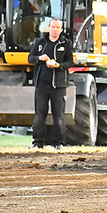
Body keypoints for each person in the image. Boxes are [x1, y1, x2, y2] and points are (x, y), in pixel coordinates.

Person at [28, 18, 74, 149]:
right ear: (48, 28)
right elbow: (30, 58)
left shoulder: (65, 43)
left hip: (58, 85)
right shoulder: (40, 42)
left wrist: (58, 65)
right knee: (39, 115)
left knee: (58, 115)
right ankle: (38, 142)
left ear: (61, 29)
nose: (55, 30)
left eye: (58, 27)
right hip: (42, 85)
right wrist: (39, 58)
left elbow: (70, 62)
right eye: (53, 27)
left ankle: (58, 143)